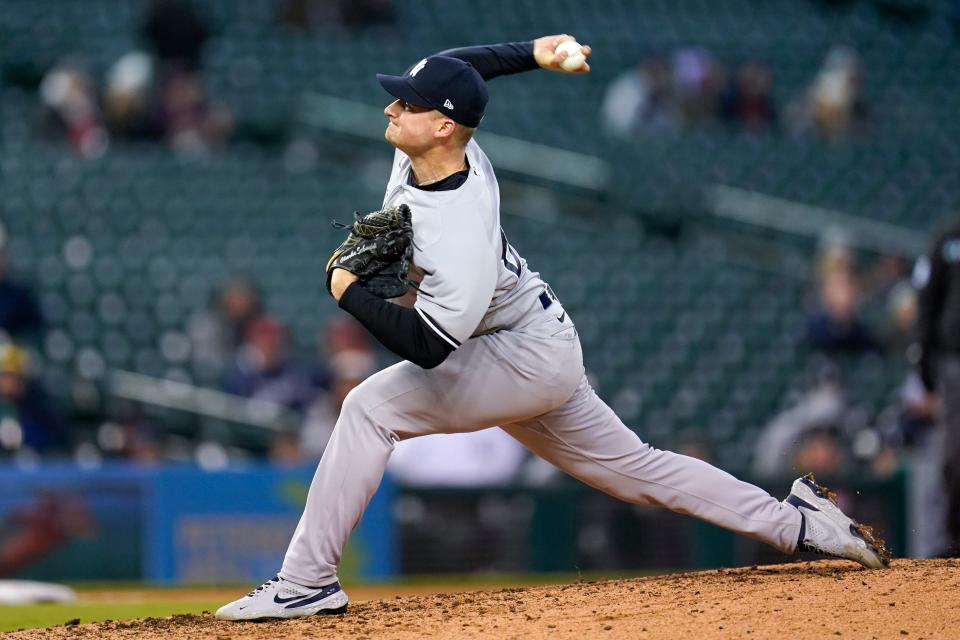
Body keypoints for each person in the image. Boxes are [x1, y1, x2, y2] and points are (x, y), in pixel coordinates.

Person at [216, 35, 889, 622]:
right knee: (639, 469)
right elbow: (460, 64)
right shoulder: (430, 144)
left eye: (408, 104)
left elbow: (427, 346)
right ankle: (797, 523)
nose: (392, 108)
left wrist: (347, 292)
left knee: (367, 408)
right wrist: (536, 52)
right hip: (528, 335)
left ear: (444, 128)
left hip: (519, 355)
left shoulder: (460, 231)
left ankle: (306, 583)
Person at [915, 218, 960, 556]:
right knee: (954, 453)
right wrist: (925, 367)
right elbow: (928, 302)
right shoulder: (948, 238)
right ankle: (953, 538)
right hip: (955, 359)